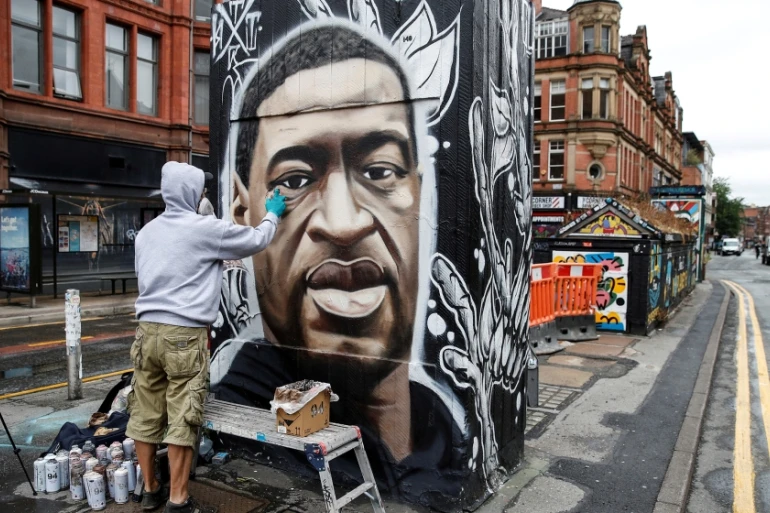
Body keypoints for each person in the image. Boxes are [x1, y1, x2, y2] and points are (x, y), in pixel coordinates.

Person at [211, 24, 465, 501]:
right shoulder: (239, 420)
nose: (344, 224)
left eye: (381, 170)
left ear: (421, 194)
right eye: (294, 180)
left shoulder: (453, 432)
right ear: (242, 210)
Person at [126, 161, 286, 513]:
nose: (204, 195)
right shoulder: (205, 229)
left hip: (146, 333)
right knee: (184, 415)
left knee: (145, 413)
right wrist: (273, 214)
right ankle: (178, 499)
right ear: (190, 193)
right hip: (183, 335)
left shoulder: (147, 233)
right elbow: (256, 239)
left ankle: (150, 489)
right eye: (201, 189)